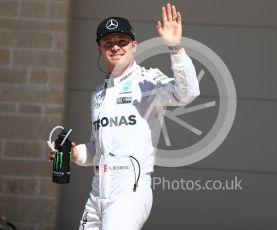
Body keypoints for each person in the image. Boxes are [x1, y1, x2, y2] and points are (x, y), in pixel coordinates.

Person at [49, 3, 199, 230]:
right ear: (99, 49)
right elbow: (96, 150)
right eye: (108, 42)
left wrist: (176, 48)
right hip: (97, 194)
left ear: (134, 46)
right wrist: (73, 152)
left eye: (122, 41)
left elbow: (187, 93)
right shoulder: (98, 94)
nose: (115, 47)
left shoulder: (147, 81)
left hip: (130, 193)